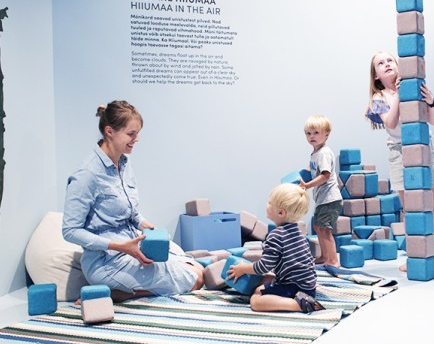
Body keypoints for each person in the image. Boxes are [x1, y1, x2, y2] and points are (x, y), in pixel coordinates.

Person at [63, 100, 204, 302]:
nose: (136, 139)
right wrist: (119, 246)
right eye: (131, 134)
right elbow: (70, 231)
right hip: (107, 262)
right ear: (110, 132)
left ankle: (127, 289)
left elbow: (130, 211)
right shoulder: (87, 175)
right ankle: (116, 293)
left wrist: (143, 224)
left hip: (132, 247)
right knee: (196, 279)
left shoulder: (124, 162)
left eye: (137, 133)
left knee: (196, 266)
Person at [365, 52, 434, 272]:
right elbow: (391, 122)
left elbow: (433, 120)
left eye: (390, 60)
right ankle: (415, 255)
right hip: (399, 152)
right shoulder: (378, 99)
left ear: (398, 64)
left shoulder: (414, 86)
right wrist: (399, 95)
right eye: (380, 63)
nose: (387, 64)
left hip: (424, 146)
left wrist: (432, 102)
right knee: (410, 208)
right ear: (376, 76)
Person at [226, 183, 324, 313]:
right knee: (264, 279)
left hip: (294, 288)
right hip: (308, 286)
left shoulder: (276, 236)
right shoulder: (298, 232)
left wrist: (243, 268)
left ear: (281, 212)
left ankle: (300, 305)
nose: (267, 205)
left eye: (270, 203)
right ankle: (302, 298)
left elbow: (263, 267)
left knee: (256, 301)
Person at [299, 115, 342, 267]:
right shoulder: (315, 153)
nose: (312, 136)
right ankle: (325, 257)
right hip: (323, 198)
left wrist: (307, 185)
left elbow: (325, 175)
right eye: (308, 133)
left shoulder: (324, 153)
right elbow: (310, 169)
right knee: (318, 227)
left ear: (326, 135)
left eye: (316, 133)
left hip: (330, 198)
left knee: (324, 229)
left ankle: (333, 260)